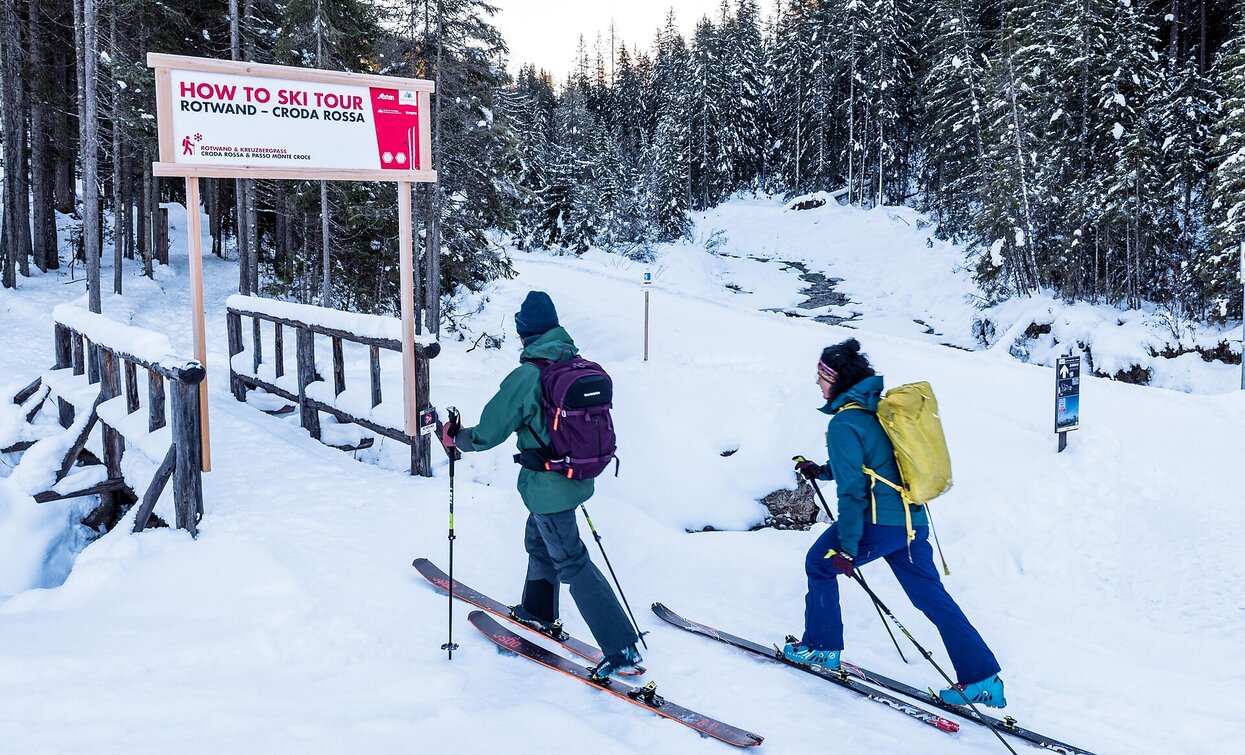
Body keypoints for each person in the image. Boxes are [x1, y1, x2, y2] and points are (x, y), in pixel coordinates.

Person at [787, 338, 1006, 708]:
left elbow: (853, 491)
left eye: (822, 377)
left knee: (818, 564)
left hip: (879, 523)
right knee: (931, 597)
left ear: (836, 380)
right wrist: (822, 471)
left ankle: (821, 647)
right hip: (912, 521)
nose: (818, 384)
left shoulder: (844, 423)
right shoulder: (879, 410)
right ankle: (982, 677)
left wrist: (847, 548)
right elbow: (875, 463)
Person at [440, 290, 642, 679]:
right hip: (573, 478)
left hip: (549, 486)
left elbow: (489, 432)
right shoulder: (576, 364)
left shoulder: (529, 376)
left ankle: (621, 648)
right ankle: (538, 610)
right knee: (539, 541)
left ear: (524, 334)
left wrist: (457, 438)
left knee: (572, 560)